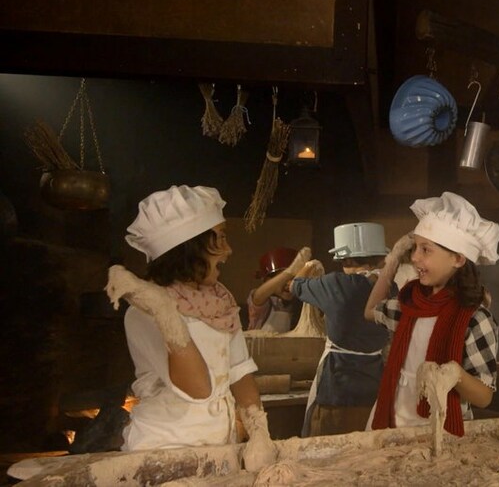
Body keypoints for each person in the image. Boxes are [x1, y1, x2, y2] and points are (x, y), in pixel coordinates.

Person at [104, 185, 280, 473]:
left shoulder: (219, 303)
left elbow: (240, 372)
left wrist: (259, 432)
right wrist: (164, 311)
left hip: (219, 447)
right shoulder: (143, 313)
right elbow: (198, 389)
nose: (228, 250)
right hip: (164, 452)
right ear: (190, 248)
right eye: (220, 239)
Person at [362, 192, 499, 437]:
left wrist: (455, 374)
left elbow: (484, 397)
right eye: (415, 247)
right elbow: (370, 311)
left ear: (458, 258)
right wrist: (392, 260)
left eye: (426, 249)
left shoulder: (475, 319)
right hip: (389, 421)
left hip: (439, 431)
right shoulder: (410, 305)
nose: (414, 257)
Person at [274, 223, 390, 437]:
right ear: (381, 257)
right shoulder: (392, 288)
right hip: (375, 389)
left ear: (345, 259)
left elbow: (293, 285)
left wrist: (307, 265)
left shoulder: (335, 284)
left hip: (337, 388)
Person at [247, 247, 303, 332]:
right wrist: (290, 271)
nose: (288, 284)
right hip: (261, 345)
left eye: (293, 278)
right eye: (282, 279)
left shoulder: (299, 304)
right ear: (266, 281)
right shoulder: (264, 303)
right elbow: (258, 296)